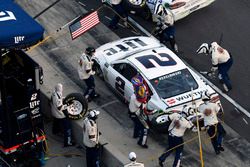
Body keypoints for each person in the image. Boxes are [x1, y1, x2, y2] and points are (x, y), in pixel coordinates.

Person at [128, 75, 155, 149]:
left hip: (132, 113)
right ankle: (142, 143)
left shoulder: (134, 94)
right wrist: (147, 100)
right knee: (145, 128)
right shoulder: (136, 100)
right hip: (136, 113)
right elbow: (143, 107)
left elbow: (143, 90)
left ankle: (135, 135)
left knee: (137, 124)